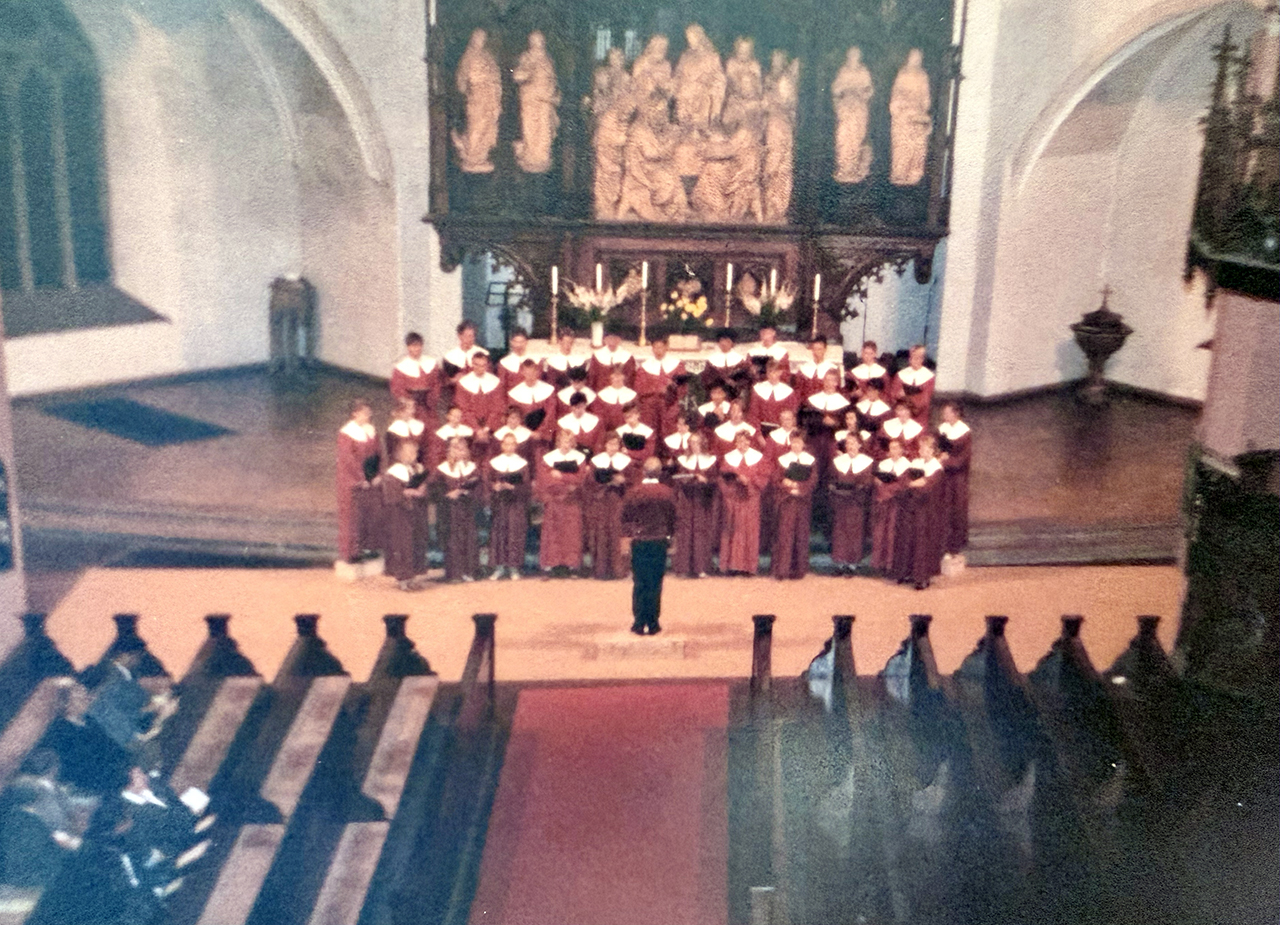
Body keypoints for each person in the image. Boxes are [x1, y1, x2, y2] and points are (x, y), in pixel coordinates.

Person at [620, 457, 678, 634]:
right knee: (655, 582)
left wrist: (627, 538)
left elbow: (625, 517)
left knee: (639, 582)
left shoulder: (633, 492)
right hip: (659, 540)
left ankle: (638, 623)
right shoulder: (667, 492)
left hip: (639, 540)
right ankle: (653, 623)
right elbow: (673, 518)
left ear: (644, 472)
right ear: (659, 473)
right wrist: (671, 538)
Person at [892, 435, 945, 589]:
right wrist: (913, 483)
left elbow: (928, 487)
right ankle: (907, 573)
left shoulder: (936, 468)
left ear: (932, 450)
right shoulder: (916, 463)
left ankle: (922, 577)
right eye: (920, 447)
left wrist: (913, 484)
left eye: (925, 448)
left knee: (923, 543)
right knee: (908, 539)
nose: (921, 450)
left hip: (927, 510)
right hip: (912, 508)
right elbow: (904, 481)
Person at [536, 429, 588, 575]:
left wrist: (561, 476)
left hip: (571, 502)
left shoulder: (579, 458)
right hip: (554, 501)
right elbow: (546, 480)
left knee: (571, 534)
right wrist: (566, 482)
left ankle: (571, 566)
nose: (566, 444)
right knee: (553, 533)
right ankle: (551, 565)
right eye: (563, 441)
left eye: (569, 441)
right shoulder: (548, 458)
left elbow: (579, 479)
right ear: (558, 442)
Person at [718, 430, 769, 575]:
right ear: (735, 443)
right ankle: (731, 566)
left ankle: (748, 567)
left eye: (746, 441)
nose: (743, 444)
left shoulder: (758, 457)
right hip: (733, 500)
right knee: (732, 531)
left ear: (750, 442)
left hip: (750, 500)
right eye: (739, 441)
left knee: (749, 531)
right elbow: (722, 479)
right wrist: (733, 485)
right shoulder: (729, 458)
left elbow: (764, 477)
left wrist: (749, 482)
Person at [381, 441, 430, 590]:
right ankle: (403, 579)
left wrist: (423, 489)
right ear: (400, 454)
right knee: (403, 545)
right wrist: (407, 493)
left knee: (415, 543)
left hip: (416, 514)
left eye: (414, 453)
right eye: (408, 452)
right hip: (400, 515)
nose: (412, 456)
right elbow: (392, 495)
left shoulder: (417, 469)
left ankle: (412, 578)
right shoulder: (394, 472)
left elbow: (425, 487)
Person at [336, 399, 379, 564]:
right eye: (364, 413)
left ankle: (366, 548)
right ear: (355, 414)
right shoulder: (346, 433)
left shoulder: (370, 430)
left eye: (369, 412)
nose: (368, 415)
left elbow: (377, 454)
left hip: (369, 479)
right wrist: (361, 478)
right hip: (351, 480)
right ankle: (350, 553)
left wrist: (375, 475)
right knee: (351, 516)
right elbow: (348, 460)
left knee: (368, 514)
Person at [433, 437, 481, 582]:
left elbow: (479, 487)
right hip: (450, 510)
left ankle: (469, 571)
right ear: (450, 450)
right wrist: (448, 494)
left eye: (462, 449)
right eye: (456, 449)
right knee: (453, 540)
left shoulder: (472, 468)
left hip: (467, 508)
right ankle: (455, 573)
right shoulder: (442, 469)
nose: (459, 452)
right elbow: (435, 491)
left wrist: (468, 492)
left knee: (469, 538)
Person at [586, 433, 634, 579]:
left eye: (615, 444)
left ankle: (618, 570)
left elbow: (632, 483)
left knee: (616, 532)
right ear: (605, 445)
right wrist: (603, 482)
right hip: (601, 502)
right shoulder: (597, 461)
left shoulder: (625, 461)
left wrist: (622, 481)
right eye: (610, 444)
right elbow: (589, 483)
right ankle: (601, 571)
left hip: (618, 501)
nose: (613, 447)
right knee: (601, 533)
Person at [671, 431, 718, 577]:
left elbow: (715, 480)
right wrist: (688, 479)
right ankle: (685, 568)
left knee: (701, 531)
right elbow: (677, 478)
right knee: (685, 532)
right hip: (687, 499)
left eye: (697, 442)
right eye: (692, 442)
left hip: (703, 500)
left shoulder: (711, 460)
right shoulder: (682, 460)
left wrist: (706, 481)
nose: (694, 445)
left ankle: (701, 568)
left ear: (702, 443)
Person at [772, 432, 817, 580]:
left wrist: (799, 487)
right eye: (793, 442)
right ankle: (782, 570)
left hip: (803, 501)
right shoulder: (783, 460)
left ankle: (798, 571)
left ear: (803, 444)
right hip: (787, 501)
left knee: (801, 535)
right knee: (785, 534)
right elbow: (776, 479)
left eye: (799, 442)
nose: (796, 445)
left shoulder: (810, 460)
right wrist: (787, 485)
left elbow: (813, 480)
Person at [829, 433, 875, 572]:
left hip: (856, 503)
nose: (850, 446)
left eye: (853, 443)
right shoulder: (838, 461)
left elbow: (866, 483)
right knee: (840, 531)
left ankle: (852, 563)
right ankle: (840, 562)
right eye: (848, 443)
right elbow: (831, 478)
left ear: (860, 445)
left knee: (854, 532)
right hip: (840, 501)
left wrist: (853, 491)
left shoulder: (866, 462)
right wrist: (834, 488)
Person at [487, 432, 531, 580]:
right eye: (506, 443)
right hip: (500, 504)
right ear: (502, 445)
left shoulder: (522, 464)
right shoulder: (494, 463)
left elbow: (526, 487)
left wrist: (513, 488)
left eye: (512, 443)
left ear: (516, 445)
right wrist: (496, 486)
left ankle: (513, 568)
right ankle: (499, 568)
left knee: (514, 534)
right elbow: (488, 483)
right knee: (499, 534)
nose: (509, 446)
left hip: (516, 504)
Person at [870, 438, 911, 575]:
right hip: (883, 502)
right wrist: (879, 484)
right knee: (880, 532)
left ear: (901, 450)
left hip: (897, 503)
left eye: (896, 448)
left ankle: (891, 564)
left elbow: (903, 485)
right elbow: (877, 482)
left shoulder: (906, 465)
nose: (893, 451)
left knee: (892, 533)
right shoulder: (884, 464)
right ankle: (880, 564)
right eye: (891, 448)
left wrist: (887, 491)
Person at [936, 402, 972, 558]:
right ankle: (942, 542)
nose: (944, 416)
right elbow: (937, 447)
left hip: (957, 476)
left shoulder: (964, 432)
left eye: (947, 413)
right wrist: (938, 456)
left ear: (955, 414)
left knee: (956, 507)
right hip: (944, 475)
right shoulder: (942, 429)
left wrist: (946, 461)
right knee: (942, 506)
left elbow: (964, 458)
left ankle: (956, 543)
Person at [632, 335, 687, 434]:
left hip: (671, 403)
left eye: (661, 347)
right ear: (652, 349)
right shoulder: (645, 367)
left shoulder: (677, 364)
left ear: (666, 347)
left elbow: (683, 388)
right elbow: (639, 388)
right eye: (655, 347)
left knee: (671, 420)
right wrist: (656, 389)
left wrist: (672, 386)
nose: (658, 350)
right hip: (651, 405)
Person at [454, 351, 506, 446]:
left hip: (492, 425)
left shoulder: (495, 382)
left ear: (487, 366)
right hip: (470, 425)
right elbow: (463, 409)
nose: (480, 368)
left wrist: (487, 428)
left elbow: (498, 408)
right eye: (477, 365)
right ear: (472, 364)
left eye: (483, 365)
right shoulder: (463, 383)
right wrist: (476, 429)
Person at [389, 332, 440, 424]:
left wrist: (431, 400)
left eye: (419, 345)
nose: (417, 349)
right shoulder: (401, 367)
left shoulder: (431, 362)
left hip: (428, 406)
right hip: (410, 408)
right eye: (413, 346)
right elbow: (397, 389)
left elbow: (436, 384)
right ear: (408, 347)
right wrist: (408, 403)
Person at [507, 358, 557, 446]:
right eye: (527, 373)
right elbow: (515, 417)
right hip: (522, 436)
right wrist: (528, 433)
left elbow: (550, 414)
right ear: (522, 373)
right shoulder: (515, 393)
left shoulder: (548, 390)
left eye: (533, 373)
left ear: (537, 372)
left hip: (544, 436)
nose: (530, 376)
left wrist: (540, 431)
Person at [442, 320, 489, 407]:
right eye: (466, 336)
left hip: (480, 397)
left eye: (472, 336)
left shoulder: (484, 354)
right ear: (459, 336)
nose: (469, 339)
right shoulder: (450, 357)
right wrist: (452, 380)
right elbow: (445, 381)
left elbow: (489, 378)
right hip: (459, 397)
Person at [749, 359, 799, 433]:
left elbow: (791, 416)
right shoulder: (758, 388)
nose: (772, 375)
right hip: (760, 430)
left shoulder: (788, 392)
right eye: (770, 372)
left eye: (775, 372)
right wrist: (759, 435)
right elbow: (753, 415)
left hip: (781, 431)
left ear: (780, 372)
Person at [890, 344, 935, 423]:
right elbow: (893, 394)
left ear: (922, 359)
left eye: (918, 357)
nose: (915, 360)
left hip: (919, 415)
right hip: (901, 413)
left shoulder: (929, 377)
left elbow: (925, 399)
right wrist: (898, 395)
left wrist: (907, 398)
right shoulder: (901, 374)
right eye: (912, 357)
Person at [792, 336, 841, 403]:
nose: (816, 352)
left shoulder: (832, 369)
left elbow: (837, 391)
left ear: (825, 349)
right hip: (806, 406)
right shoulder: (803, 368)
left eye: (819, 349)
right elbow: (798, 392)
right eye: (814, 349)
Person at [557, 391, 605, 457]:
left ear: (585, 405)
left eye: (581, 406)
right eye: (576, 407)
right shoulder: (563, 422)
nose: (578, 410)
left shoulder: (595, 421)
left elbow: (599, 444)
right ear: (571, 407)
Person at [702, 329, 750, 393]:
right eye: (721, 340)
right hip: (716, 393)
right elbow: (706, 379)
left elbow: (744, 380)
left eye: (727, 341)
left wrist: (734, 384)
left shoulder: (740, 360)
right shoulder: (711, 360)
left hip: (734, 393)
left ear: (732, 343)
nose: (724, 343)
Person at [592, 366, 639, 432]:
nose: (617, 378)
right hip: (608, 433)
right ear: (611, 377)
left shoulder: (632, 396)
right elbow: (599, 419)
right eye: (615, 375)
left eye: (619, 375)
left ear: (624, 376)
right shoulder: (601, 396)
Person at [384, 396, 426, 465]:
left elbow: (422, 449)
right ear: (400, 411)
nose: (413, 411)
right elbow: (391, 453)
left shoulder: (417, 425)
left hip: (416, 464)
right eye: (409, 408)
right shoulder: (394, 429)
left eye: (413, 407)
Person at [856, 382, 894, 454]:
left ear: (878, 392)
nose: (870, 393)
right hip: (859, 436)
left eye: (873, 390)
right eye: (869, 390)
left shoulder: (885, 410)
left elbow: (883, 430)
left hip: (875, 440)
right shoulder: (860, 405)